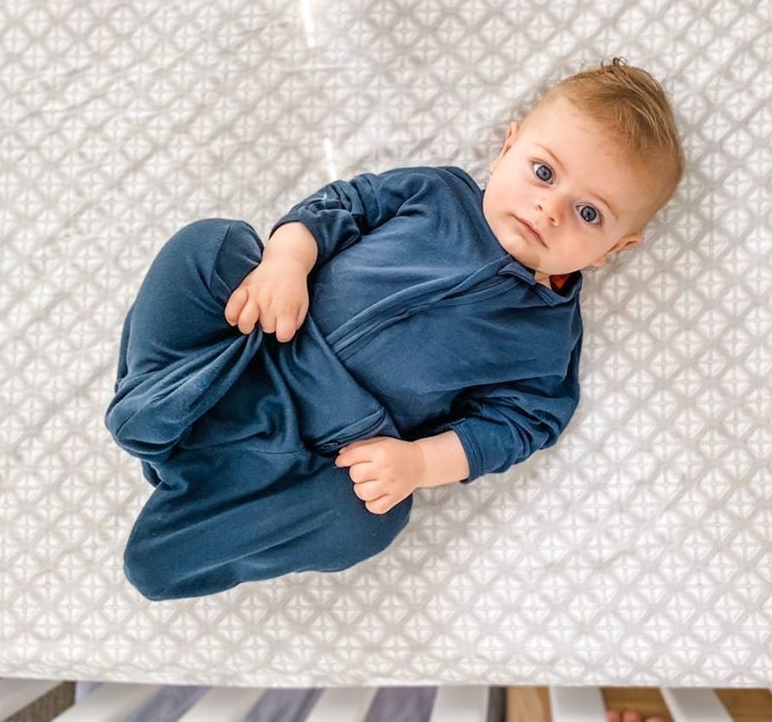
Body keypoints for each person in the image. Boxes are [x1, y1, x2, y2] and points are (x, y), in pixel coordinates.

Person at [104, 57, 684, 603]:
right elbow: (342, 205)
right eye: (543, 172)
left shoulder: (547, 337)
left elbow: (519, 424)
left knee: (371, 516)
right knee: (211, 244)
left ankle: (182, 534)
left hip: (329, 437)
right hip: (265, 333)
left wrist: (419, 464)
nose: (550, 209)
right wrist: (286, 261)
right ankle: (157, 400)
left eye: (589, 214)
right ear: (506, 149)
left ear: (615, 249)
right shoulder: (436, 193)